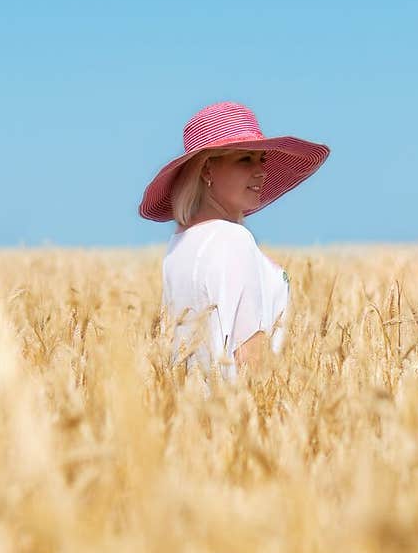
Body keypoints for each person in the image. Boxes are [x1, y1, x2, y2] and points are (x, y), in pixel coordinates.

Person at [138, 101, 329, 382]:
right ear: (207, 170)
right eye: (244, 160)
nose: (261, 171)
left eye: (261, 159)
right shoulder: (233, 239)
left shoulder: (177, 247)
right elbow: (252, 357)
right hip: (243, 414)